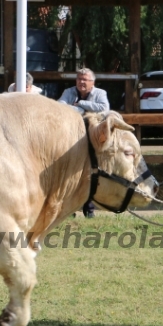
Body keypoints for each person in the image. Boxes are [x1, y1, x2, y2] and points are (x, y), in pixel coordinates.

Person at [59, 68, 110, 217]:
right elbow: (59, 106)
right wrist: (83, 111)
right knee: (70, 174)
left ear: (92, 82)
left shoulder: (101, 93)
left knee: (90, 173)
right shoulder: (69, 92)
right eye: (79, 79)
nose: (81, 82)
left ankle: (89, 210)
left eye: (85, 80)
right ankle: (70, 210)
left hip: (92, 139)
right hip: (71, 138)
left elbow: (104, 110)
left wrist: (80, 104)